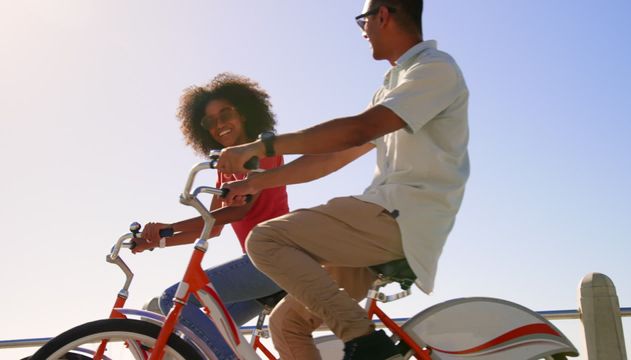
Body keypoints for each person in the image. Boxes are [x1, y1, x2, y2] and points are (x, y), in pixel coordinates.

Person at [216, 0, 470, 359]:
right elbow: (332, 157)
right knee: (285, 325)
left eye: (362, 20)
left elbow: (356, 131)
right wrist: (256, 182)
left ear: (382, 14)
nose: (363, 31)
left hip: (401, 218)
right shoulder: (394, 86)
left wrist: (264, 144)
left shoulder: (433, 70)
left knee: (265, 239)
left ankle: (365, 341)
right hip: (380, 223)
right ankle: (363, 339)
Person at [130, 73, 290, 360]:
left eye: (225, 114)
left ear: (244, 112)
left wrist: (169, 227)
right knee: (197, 337)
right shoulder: (224, 168)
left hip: (273, 260)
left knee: (172, 300)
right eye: (209, 122)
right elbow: (211, 225)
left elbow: (239, 210)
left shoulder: (262, 151)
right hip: (258, 269)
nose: (219, 125)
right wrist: (158, 241)